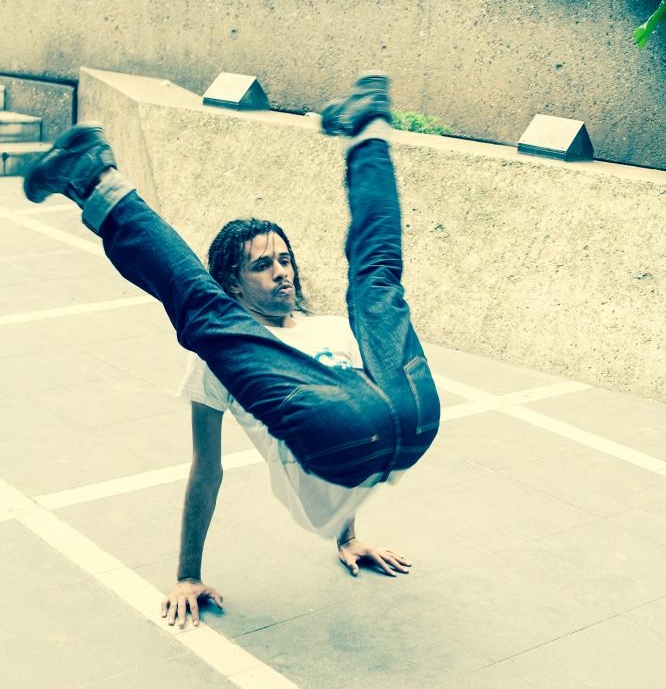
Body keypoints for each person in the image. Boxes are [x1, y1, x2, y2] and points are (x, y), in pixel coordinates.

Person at [23, 73, 441, 627]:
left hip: (375, 436)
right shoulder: (218, 368)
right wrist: (187, 573)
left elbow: (356, 429)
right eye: (262, 266)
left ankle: (92, 177)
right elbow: (209, 468)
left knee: (203, 308)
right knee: (377, 276)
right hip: (416, 419)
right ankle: (369, 132)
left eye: (285, 260)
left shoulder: (326, 330)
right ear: (237, 286)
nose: (282, 273)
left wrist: (348, 535)